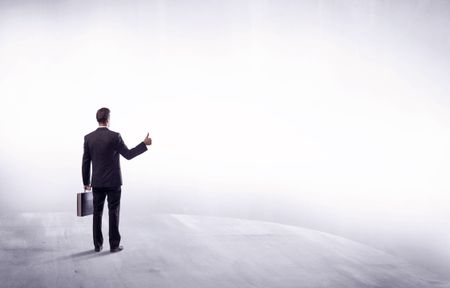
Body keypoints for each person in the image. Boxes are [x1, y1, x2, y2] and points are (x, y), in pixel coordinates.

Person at [82, 107, 152, 253]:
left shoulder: (88, 138)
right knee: (113, 212)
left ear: (98, 119)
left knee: (97, 213)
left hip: (97, 182)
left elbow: (86, 161)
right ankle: (114, 245)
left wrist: (86, 182)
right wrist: (144, 144)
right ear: (108, 120)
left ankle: (97, 245)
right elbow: (128, 154)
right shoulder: (115, 136)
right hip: (113, 182)